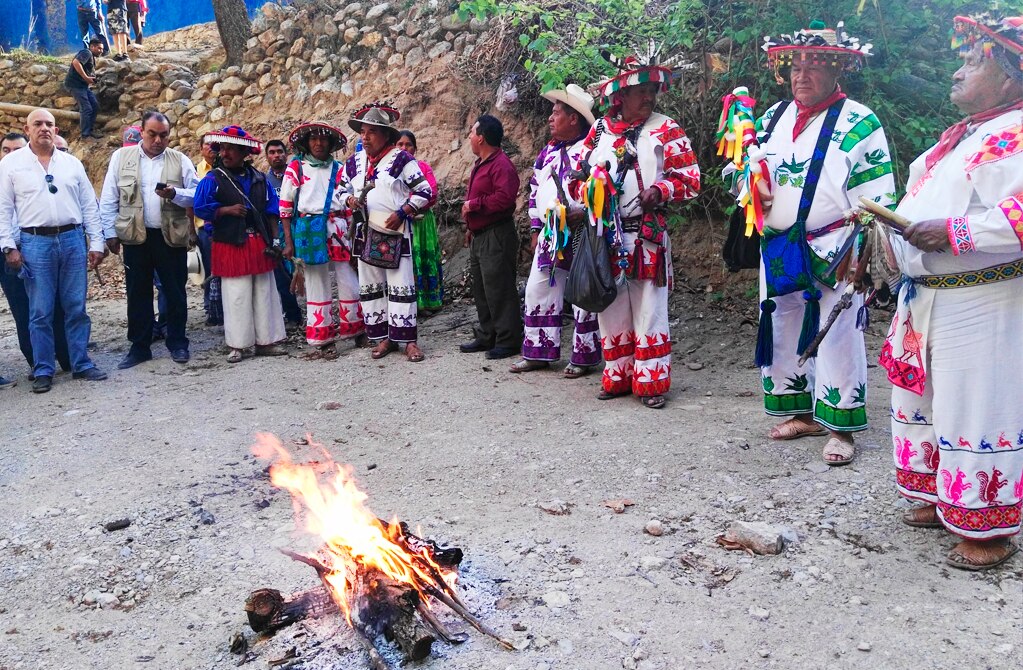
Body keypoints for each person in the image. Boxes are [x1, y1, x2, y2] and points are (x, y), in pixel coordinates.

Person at [882, 14, 1023, 570]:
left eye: (973, 61)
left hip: (981, 298)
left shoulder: (1016, 134)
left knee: (976, 401)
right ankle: (933, 495)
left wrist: (953, 232)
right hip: (925, 295)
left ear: (1011, 77)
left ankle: (986, 525)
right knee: (921, 396)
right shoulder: (958, 141)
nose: (958, 71)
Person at [756, 22, 894, 462]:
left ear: (838, 69)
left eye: (815, 66)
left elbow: (880, 193)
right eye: (796, 67)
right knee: (783, 322)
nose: (802, 76)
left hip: (836, 245)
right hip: (778, 245)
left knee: (837, 331)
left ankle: (842, 426)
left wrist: (864, 250)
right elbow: (746, 168)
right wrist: (748, 182)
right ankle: (804, 412)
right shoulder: (772, 118)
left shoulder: (860, 121)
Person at [570, 52, 700, 409]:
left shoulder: (666, 128)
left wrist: (659, 191)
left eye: (653, 89)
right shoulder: (597, 132)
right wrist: (587, 191)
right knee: (609, 306)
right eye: (642, 89)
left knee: (649, 306)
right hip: (605, 236)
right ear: (620, 95)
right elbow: (576, 179)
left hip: (646, 235)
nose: (649, 96)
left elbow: (690, 178)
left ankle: (651, 382)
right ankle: (618, 375)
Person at [0, 109, 109, 393]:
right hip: (35, 242)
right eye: (38, 124)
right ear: (27, 128)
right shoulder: (11, 164)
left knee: (75, 306)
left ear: (56, 129)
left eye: (49, 124)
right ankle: (44, 368)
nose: (44, 128)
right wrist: (8, 246)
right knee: (40, 310)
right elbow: (3, 209)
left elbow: (89, 205)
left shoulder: (71, 163)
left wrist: (96, 242)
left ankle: (81, 363)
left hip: (72, 239)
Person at [510, 85, 601, 377]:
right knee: (539, 287)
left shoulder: (591, 150)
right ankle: (538, 352)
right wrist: (536, 228)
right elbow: (535, 189)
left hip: (581, 230)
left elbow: (601, 188)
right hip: (551, 231)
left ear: (574, 119)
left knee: (582, 289)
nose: (551, 117)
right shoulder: (547, 152)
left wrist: (584, 212)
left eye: (557, 112)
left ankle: (583, 357)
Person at [100, 111, 198, 369]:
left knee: (175, 291)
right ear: (141, 132)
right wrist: (109, 233)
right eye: (152, 134)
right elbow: (110, 196)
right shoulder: (121, 158)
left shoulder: (180, 160)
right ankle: (140, 347)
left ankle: (177, 343)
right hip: (135, 237)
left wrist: (175, 193)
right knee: (137, 292)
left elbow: (196, 194)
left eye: (163, 135)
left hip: (170, 237)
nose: (158, 140)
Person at [342, 102, 434, 363]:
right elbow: (340, 191)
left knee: (401, 285)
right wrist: (349, 200)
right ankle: (384, 338)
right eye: (362, 132)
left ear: (386, 135)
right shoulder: (355, 162)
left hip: (395, 232)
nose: (365, 137)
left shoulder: (401, 159)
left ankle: (408, 341)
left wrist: (403, 212)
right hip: (364, 233)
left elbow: (425, 191)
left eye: (371, 132)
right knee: (371, 288)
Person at [192, 126, 287, 363]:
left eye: (231, 149)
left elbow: (272, 211)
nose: (225, 153)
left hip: (258, 243)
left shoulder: (258, 179)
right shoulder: (212, 179)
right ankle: (238, 345)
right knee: (236, 294)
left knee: (264, 292)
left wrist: (275, 240)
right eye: (222, 148)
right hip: (230, 244)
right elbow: (200, 207)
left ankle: (267, 341)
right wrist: (225, 210)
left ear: (244, 152)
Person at [279, 123, 365, 354]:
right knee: (317, 284)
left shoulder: (339, 168)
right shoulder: (296, 168)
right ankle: (323, 339)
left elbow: (348, 199)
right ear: (306, 143)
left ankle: (355, 330)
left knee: (350, 281)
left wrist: (353, 231)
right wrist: (289, 242)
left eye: (323, 139)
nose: (318, 143)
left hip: (339, 228)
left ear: (331, 144)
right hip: (310, 229)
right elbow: (285, 208)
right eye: (313, 139)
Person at [0, 132, 71, 381]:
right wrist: (9, 248)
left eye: (16, 149)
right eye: (6, 150)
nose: (10, 154)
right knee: (24, 310)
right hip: (11, 251)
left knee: (57, 305)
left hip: (40, 246)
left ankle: (66, 356)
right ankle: (36, 361)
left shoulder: (38, 174)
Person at [459, 115, 522, 360]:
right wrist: (469, 227)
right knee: (483, 289)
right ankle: (488, 335)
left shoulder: (501, 165)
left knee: (500, 288)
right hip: (480, 235)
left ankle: (508, 340)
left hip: (497, 234)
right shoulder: (482, 163)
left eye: (472, 133)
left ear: (481, 138)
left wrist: (474, 205)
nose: (470, 138)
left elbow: (505, 199)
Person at [395, 130, 443, 314]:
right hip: (400, 222)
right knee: (407, 261)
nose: (404, 148)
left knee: (422, 257)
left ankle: (427, 301)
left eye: (408, 145)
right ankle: (408, 302)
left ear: (415, 148)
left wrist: (411, 207)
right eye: (400, 144)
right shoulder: (391, 171)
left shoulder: (422, 167)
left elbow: (431, 192)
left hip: (422, 222)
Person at [263, 138, 303, 329]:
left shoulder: (297, 174)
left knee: (306, 271)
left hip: (300, 229)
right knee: (282, 275)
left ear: (286, 153)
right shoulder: (263, 181)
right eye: (272, 152)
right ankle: (293, 315)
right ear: (267, 157)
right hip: (276, 232)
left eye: (279, 151)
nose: (276, 155)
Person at [192, 133, 223, 326]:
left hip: (223, 226)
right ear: (201, 149)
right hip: (203, 229)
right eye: (208, 145)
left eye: (215, 145)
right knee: (207, 269)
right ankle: (209, 308)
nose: (212, 148)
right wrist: (191, 231)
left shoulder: (226, 169)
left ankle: (223, 308)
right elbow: (190, 203)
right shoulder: (196, 172)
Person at [64, 37, 105, 140]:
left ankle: (90, 130)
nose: (101, 51)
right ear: (92, 47)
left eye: (102, 49)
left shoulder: (91, 56)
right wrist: (86, 77)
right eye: (99, 48)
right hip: (75, 85)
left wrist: (91, 78)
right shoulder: (86, 53)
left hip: (83, 86)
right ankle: (85, 135)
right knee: (86, 108)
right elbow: (76, 62)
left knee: (95, 106)